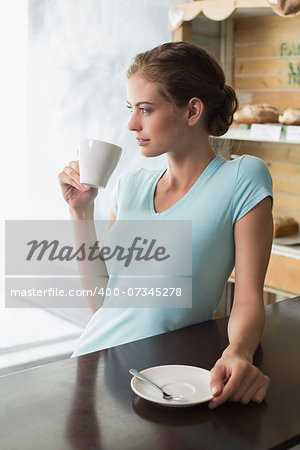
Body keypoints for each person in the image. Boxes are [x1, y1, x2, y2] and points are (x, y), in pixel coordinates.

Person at [58, 41, 273, 409]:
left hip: (172, 377)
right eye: (131, 109)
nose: (131, 124)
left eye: (145, 109)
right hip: (96, 363)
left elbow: (249, 296)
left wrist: (239, 351)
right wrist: (80, 212)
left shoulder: (242, 177)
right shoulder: (130, 185)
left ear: (192, 110)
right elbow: (104, 305)